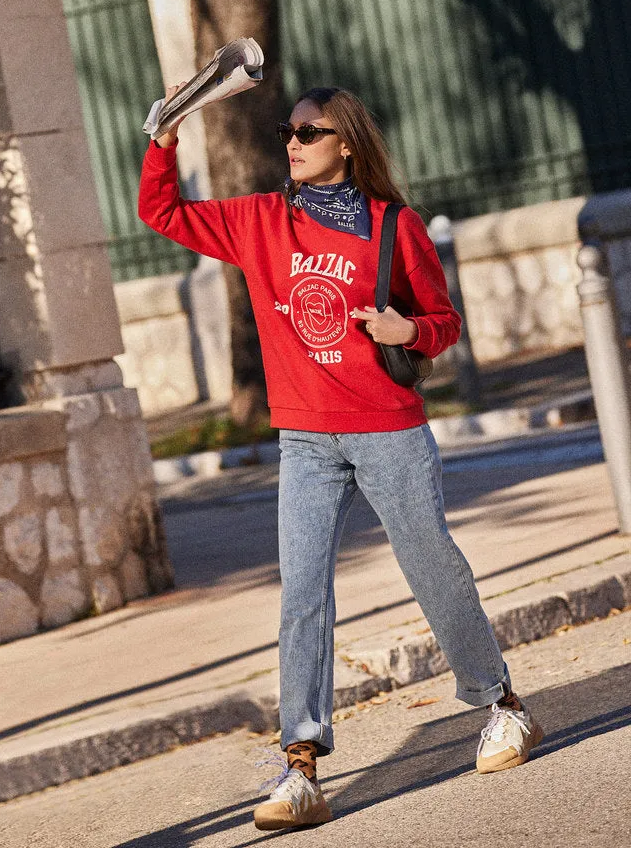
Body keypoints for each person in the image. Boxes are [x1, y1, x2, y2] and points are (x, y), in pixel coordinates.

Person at [138, 85, 543, 832]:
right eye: (287, 131)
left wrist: (405, 329)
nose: (292, 142)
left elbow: (443, 321)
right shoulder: (261, 221)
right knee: (304, 594)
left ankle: (502, 706)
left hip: (387, 427)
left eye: (309, 131)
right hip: (305, 437)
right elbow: (161, 214)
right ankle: (301, 769)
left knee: (432, 567)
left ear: (346, 142)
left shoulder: (395, 226)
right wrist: (163, 139)